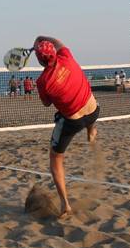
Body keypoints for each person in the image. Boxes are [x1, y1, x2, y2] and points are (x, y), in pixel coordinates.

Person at [34, 36, 99, 219]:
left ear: (39, 60)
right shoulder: (66, 56)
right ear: (54, 52)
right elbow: (58, 41)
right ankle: (91, 130)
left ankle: (65, 205)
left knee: (55, 158)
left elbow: (46, 104)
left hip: (74, 121)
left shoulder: (43, 81)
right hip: (94, 111)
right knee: (89, 103)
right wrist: (41, 38)